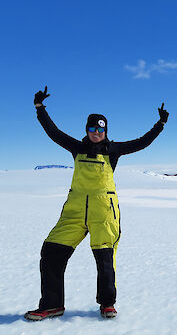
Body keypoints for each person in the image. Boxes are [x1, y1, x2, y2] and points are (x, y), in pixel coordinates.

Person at [24, 86, 169, 321]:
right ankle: (52, 305)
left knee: (105, 258)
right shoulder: (77, 147)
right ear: (87, 130)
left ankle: (107, 304)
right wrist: (40, 108)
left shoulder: (114, 150)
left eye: (100, 129)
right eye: (92, 128)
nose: (96, 132)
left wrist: (159, 125)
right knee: (51, 252)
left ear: (105, 130)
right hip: (74, 211)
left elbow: (142, 142)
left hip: (104, 212)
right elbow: (53, 132)